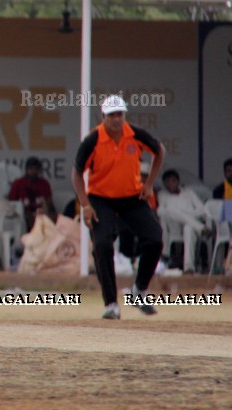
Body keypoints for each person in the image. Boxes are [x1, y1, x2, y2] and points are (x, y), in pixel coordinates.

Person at [71, 94, 166, 320]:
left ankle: (139, 291)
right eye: (112, 115)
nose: (116, 119)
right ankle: (111, 302)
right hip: (100, 199)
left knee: (154, 238)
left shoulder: (134, 134)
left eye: (120, 115)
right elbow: (77, 173)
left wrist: (150, 183)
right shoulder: (93, 140)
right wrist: (85, 205)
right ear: (103, 116)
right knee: (102, 244)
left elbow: (159, 150)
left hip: (132, 197)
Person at [157, 169, 210, 273]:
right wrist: (180, 214)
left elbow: (202, 210)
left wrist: (185, 214)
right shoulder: (162, 194)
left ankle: (189, 267)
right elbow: (161, 211)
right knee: (169, 210)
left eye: (172, 181)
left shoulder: (188, 193)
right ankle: (201, 228)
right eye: (166, 182)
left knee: (188, 228)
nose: (170, 184)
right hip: (173, 227)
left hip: (190, 227)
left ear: (177, 181)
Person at [8, 156, 57, 232]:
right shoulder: (18, 183)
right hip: (23, 216)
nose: (33, 171)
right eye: (31, 169)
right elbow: (12, 203)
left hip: (41, 214)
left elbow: (49, 203)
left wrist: (51, 213)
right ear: (26, 169)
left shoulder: (44, 184)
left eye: (36, 169)